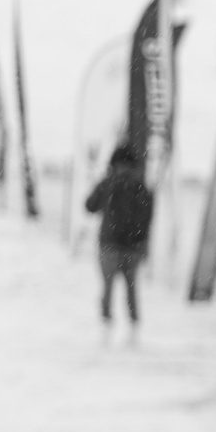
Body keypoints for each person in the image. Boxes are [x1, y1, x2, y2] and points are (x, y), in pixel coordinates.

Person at [83, 142, 153, 336]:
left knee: (107, 288)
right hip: (132, 246)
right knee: (131, 290)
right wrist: (142, 242)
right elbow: (147, 219)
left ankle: (105, 327)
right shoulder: (140, 187)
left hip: (110, 244)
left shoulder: (108, 183)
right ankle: (134, 327)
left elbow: (89, 206)